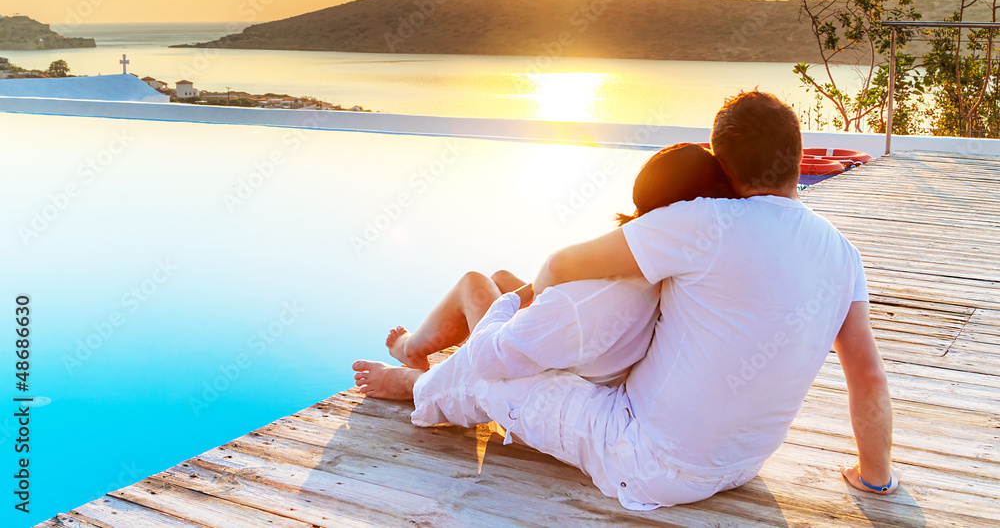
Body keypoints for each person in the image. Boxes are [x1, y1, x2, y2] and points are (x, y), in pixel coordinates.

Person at [353, 92, 897, 510]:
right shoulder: (842, 253)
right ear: (799, 154)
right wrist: (874, 475)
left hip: (643, 459)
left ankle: (414, 383)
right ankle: (428, 360)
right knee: (537, 327)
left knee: (495, 370)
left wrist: (527, 298)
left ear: (723, 166)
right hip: (742, 464)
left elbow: (563, 264)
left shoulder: (704, 221)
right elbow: (867, 376)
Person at [379, 143, 735, 387]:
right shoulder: (687, 253)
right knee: (501, 277)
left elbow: (559, 269)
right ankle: (420, 345)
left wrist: (529, 304)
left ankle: (412, 351)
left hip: (552, 372)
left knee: (474, 283)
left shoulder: (636, 253)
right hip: (592, 357)